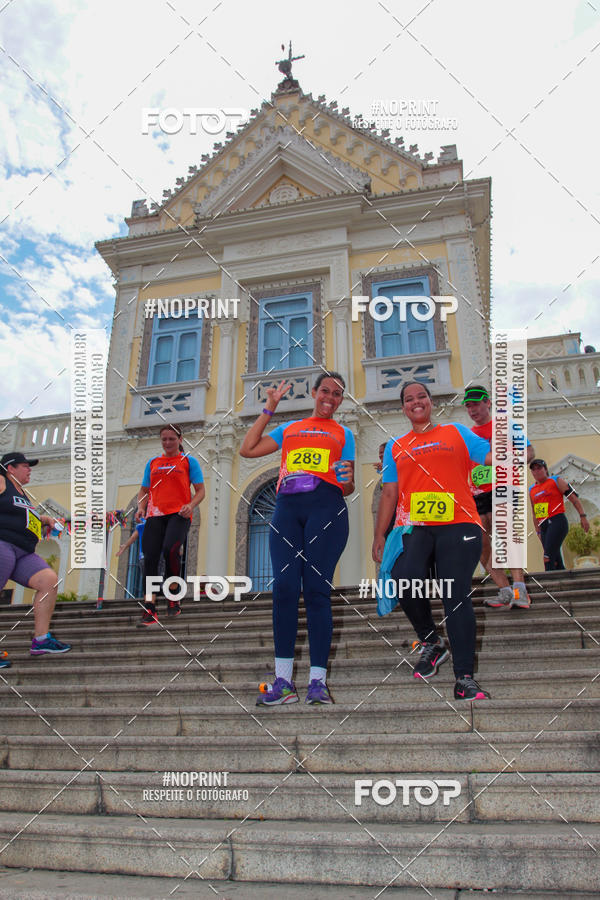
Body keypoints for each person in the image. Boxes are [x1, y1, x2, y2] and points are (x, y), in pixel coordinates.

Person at [240, 372, 355, 705]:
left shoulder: (344, 433)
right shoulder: (291, 428)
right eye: (325, 391)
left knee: (317, 592)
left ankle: (317, 681)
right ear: (315, 392)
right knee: (285, 589)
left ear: (341, 400)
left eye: (337, 394)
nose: (330, 398)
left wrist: (345, 480)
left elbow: (346, 485)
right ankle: (283, 682)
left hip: (326, 509)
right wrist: (269, 408)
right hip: (287, 509)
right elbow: (248, 449)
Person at [372, 381, 492, 701]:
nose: (416, 402)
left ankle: (465, 678)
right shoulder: (397, 446)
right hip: (416, 526)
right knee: (404, 578)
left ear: (430, 401)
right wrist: (379, 535)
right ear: (403, 408)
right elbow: (389, 493)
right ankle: (431, 641)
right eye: (409, 398)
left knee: (454, 593)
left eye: (421, 396)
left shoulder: (457, 432)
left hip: (459, 523)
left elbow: (494, 457)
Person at [462, 385, 535, 609]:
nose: (472, 409)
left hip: (503, 487)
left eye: (476, 404)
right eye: (468, 406)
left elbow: (530, 453)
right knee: (480, 544)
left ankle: (519, 590)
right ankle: (504, 590)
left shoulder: (507, 426)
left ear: (488, 403)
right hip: (477, 493)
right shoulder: (468, 434)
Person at [0, 452, 71, 666]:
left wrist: (45, 519)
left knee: (48, 581)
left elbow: (23, 514)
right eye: (25, 466)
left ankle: (41, 640)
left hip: (23, 551)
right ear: (10, 468)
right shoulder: (2, 480)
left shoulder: (21, 493)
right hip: (3, 543)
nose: (29, 469)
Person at [135, 425, 205, 625]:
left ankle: (173, 594)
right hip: (155, 515)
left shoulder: (188, 462)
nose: (167, 443)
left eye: (171, 439)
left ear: (180, 439)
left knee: (170, 550)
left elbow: (200, 490)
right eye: (164, 439)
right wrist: (141, 507)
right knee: (150, 558)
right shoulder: (153, 463)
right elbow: (143, 491)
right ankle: (150, 607)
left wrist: (190, 506)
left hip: (179, 514)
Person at [529, 459, 589, 570]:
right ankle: (565, 583)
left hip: (557, 521)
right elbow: (534, 512)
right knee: (556, 560)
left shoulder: (556, 481)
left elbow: (574, 499)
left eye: (539, 468)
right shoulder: (532, 489)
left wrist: (583, 516)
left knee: (547, 557)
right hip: (544, 525)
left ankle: (549, 585)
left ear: (545, 469)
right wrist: (538, 530)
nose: (537, 471)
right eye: (533, 469)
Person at [116, 516, 145, 599]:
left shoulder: (141, 524)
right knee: (158, 577)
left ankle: (149, 601)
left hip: (143, 557)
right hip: (154, 556)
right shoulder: (153, 521)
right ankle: (155, 599)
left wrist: (125, 546)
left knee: (147, 579)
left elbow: (133, 538)